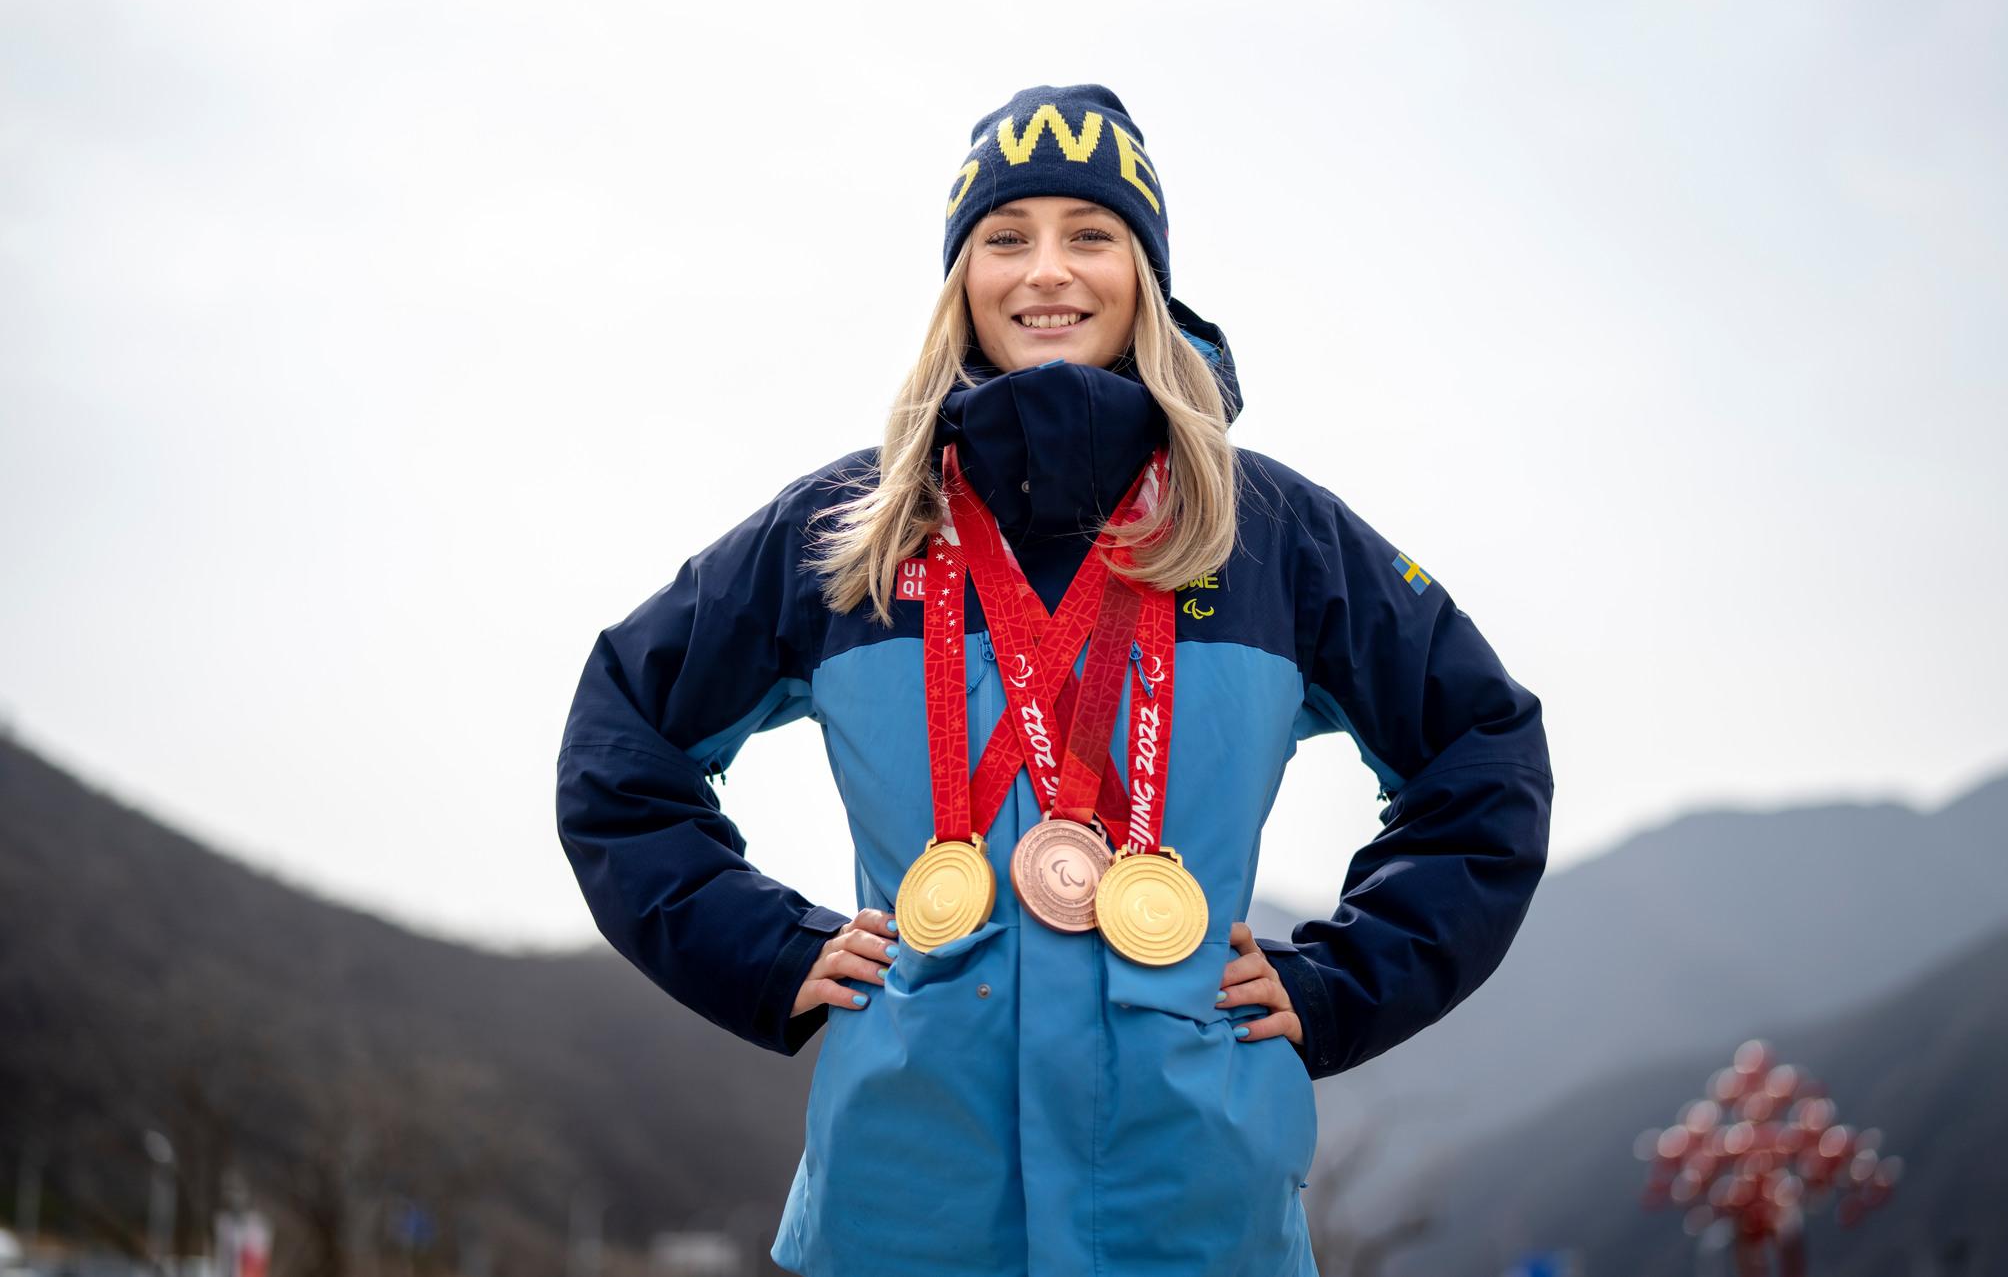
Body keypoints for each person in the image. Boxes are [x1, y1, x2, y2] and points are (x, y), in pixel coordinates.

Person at [556, 84, 1553, 1277]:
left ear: (1144, 273)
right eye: (1003, 237)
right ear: (959, 279)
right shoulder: (852, 527)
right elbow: (622, 737)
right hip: (903, 1210)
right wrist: (762, 950)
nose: (1046, 273)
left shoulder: (1270, 534)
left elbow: (1482, 755)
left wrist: (1342, 984)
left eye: (1089, 235)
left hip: (1189, 1213)